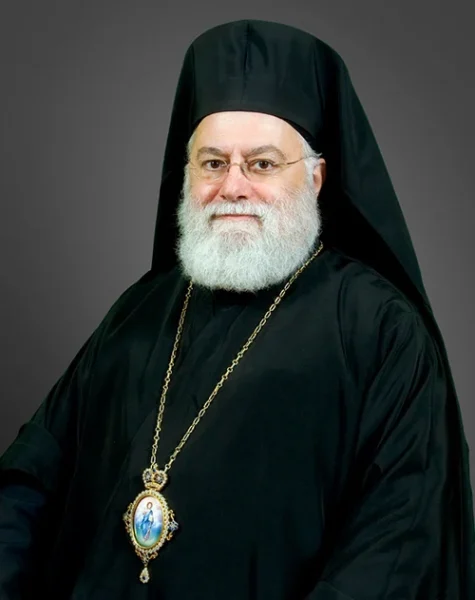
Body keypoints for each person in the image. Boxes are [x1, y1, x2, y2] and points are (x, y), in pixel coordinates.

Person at [0, 18, 474, 600]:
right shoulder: (138, 313)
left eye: (262, 164)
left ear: (317, 178)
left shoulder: (380, 330)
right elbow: (31, 479)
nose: (233, 187)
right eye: (213, 162)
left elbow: (398, 546)